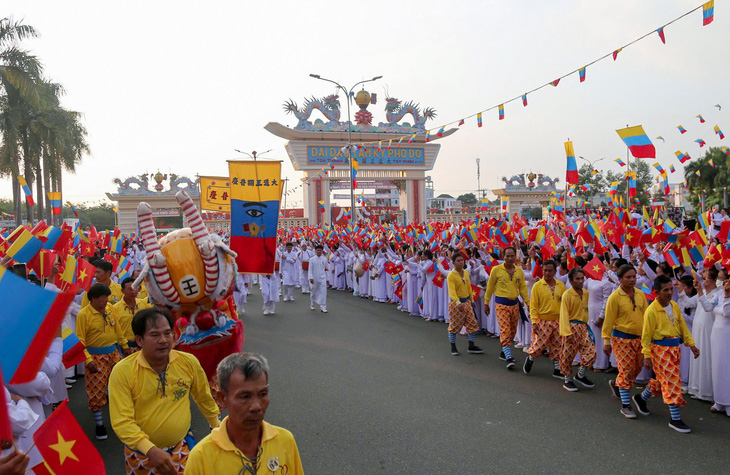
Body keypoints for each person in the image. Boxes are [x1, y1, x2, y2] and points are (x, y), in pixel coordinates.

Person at [110, 308, 220, 474]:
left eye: (167, 333)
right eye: (155, 335)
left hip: (181, 449)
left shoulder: (188, 362)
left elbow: (204, 397)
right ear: (139, 340)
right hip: (141, 456)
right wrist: (150, 450)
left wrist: (216, 426)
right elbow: (122, 422)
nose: (163, 340)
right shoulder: (122, 371)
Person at [185, 353, 304, 475]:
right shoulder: (201, 457)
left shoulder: (285, 440)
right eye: (245, 397)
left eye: (263, 394)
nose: (256, 406)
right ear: (222, 399)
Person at [634, 275, 699, 433]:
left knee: (663, 379)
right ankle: (675, 419)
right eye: (666, 290)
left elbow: (682, 327)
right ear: (657, 292)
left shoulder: (675, 306)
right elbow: (646, 335)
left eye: (671, 289)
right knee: (672, 381)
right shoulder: (651, 311)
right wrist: (647, 356)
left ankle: (641, 398)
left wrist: (691, 345)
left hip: (675, 349)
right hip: (660, 350)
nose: (670, 292)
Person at [76, 282, 131, 439]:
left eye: (107, 296)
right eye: (103, 297)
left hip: (114, 353)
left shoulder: (109, 309)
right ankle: (99, 425)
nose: (107, 300)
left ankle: (123, 419)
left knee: (122, 386)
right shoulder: (83, 315)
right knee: (96, 391)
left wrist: (124, 345)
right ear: (93, 298)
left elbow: (118, 329)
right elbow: (79, 340)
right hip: (95, 358)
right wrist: (87, 360)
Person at [602, 264, 649, 419]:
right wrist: (606, 341)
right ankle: (626, 405)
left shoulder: (641, 294)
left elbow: (646, 317)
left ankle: (618, 385)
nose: (632, 279)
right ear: (620, 279)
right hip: (621, 338)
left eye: (634, 276)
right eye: (628, 277)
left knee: (637, 368)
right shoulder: (614, 297)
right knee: (627, 369)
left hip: (639, 338)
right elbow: (608, 320)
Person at [484, 246, 529, 369]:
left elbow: (523, 288)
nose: (510, 258)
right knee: (505, 330)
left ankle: (504, 351)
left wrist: (528, 302)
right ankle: (509, 357)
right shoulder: (496, 270)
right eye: (507, 256)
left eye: (512, 256)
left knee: (512, 331)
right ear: (503, 257)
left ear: (516, 257)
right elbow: (490, 287)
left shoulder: (519, 271)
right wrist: (486, 303)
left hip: (515, 305)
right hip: (501, 304)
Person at [524, 260, 565, 377]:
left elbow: (564, 304)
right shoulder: (537, 286)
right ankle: (531, 358)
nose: (547, 273)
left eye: (550, 271)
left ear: (555, 271)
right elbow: (533, 306)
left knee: (557, 345)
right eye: (545, 270)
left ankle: (557, 369)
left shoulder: (561, 286)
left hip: (557, 320)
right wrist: (534, 322)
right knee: (539, 345)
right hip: (542, 321)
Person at [559, 267, 596, 392]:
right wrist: (567, 332)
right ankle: (567, 380)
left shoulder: (585, 293)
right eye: (577, 279)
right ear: (571, 280)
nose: (580, 281)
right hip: (571, 327)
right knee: (567, 355)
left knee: (591, 352)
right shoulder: (567, 295)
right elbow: (563, 314)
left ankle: (580, 375)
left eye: (582, 278)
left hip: (583, 327)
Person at [446, 252, 484, 356]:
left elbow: (469, 288)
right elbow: (452, 292)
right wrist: (458, 303)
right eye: (458, 261)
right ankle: (453, 347)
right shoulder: (451, 275)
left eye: (462, 260)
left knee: (472, 323)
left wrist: (471, 300)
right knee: (454, 326)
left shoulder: (466, 273)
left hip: (466, 302)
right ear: (453, 263)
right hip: (456, 304)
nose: (461, 262)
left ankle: (471, 346)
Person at [112, 277, 153, 352]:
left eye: (135, 288)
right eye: (130, 289)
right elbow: (114, 330)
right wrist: (123, 346)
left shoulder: (144, 304)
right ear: (122, 291)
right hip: (125, 347)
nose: (133, 291)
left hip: (143, 346)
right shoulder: (115, 308)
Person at [710, 279, 730, 416]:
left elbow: (727, 313)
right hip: (716, 334)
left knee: (727, 368)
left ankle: (728, 402)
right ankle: (719, 401)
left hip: (727, 335)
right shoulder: (719, 293)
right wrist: (699, 290)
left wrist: (728, 294)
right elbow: (707, 307)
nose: (723, 282)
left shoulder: (726, 294)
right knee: (717, 367)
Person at [308, 244, 328, 313]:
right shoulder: (312, 259)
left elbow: (326, 269)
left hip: (322, 277)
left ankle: (323, 306)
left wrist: (327, 279)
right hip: (314, 278)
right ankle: (312, 303)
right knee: (314, 292)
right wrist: (310, 277)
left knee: (323, 292)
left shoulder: (324, 259)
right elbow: (310, 269)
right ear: (315, 251)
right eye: (318, 250)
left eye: (320, 250)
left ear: (322, 251)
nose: (319, 251)